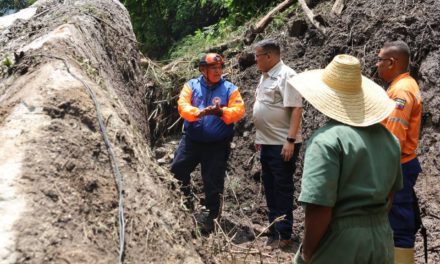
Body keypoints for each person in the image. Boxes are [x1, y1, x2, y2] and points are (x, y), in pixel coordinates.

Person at [288, 54, 402, 263]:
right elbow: (390, 197)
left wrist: (307, 252)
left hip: (341, 242)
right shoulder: (390, 140)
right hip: (381, 237)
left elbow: (319, 206)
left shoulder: (326, 141)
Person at [171, 53, 245, 232]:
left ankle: (212, 217)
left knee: (213, 181)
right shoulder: (191, 86)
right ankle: (185, 200)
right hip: (192, 141)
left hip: (217, 145)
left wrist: (221, 112)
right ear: (203, 70)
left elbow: (239, 110)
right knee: (177, 169)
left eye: (220, 68)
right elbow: (182, 105)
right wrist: (199, 113)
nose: (218, 71)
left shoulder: (230, 89)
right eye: (214, 68)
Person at [252, 39, 303, 248]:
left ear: (270, 56)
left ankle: (284, 234)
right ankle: (273, 229)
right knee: (270, 187)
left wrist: (290, 140)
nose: (255, 61)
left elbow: (296, 109)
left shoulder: (286, 75)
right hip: (267, 143)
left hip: (283, 143)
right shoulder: (265, 76)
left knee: (282, 188)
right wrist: (259, 138)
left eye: (258, 57)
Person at [376, 40, 423, 263]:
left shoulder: (401, 90)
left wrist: (387, 174)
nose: (377, 64)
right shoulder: (401, 85)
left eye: (380, 60)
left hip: (398, 165)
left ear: (392, 62)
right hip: (400, 163)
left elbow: (393, 137)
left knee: (399, 223)